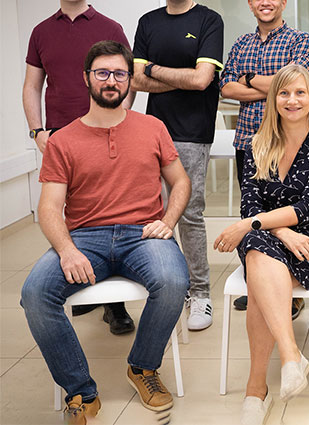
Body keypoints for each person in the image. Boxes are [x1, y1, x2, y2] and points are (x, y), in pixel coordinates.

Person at [20, 41, 191, 425]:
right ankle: (80, 390)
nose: (111, 81)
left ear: (129, 80)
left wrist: (168, 221)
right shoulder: (63, 140)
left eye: (119, 74)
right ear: (86, 78)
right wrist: (67, 250)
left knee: (175, 281)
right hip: (85, 238)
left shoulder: (153, 127)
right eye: (102, 73)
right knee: (35, 293)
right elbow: (49, 208)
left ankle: (142, 367)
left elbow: (180, 181)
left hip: (142, 234)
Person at [212, 64, 309, 425]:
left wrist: (252, 225)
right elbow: (250, 204)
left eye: (300, 92)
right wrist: (281, 232)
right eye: (284, 93)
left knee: (258, 266)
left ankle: (256, 390)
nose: (292, 100)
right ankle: (290, 357)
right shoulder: (258, 143)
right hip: (274, 237)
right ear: (274, 99)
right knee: (259, 249)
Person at [23, 0, 135, 334]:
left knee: (109, 210)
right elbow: (32, 86)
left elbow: (127, 80)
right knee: (68, 213)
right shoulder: (41, 32)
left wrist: (121, 124)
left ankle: (115, 306)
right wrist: (38, 131)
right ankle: (82, 276)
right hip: (59, 137)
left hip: (105, 134)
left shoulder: (110, 27)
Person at [132, 0, 224, 331]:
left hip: (192, 132)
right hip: (152, 131)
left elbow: (203, 80)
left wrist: (154, 70)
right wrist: (180, 76)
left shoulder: (209, 20)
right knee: (154, 211)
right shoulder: (148, 22)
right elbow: (135, 80)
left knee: (189, 213)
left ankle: (200, 294)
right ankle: (171, 287)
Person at [220, 0, 309, 317]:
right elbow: (225, 87)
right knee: (252, 211)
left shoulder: (300, 40)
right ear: (250, 4)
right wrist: (274, 86)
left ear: (283, 2)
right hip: (249, 141)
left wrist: (248, 80)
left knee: (289, 214)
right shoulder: (241, 43)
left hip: (290, 142)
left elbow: (297, 82)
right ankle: (257, 278)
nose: (266, 3)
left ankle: (292, 287)